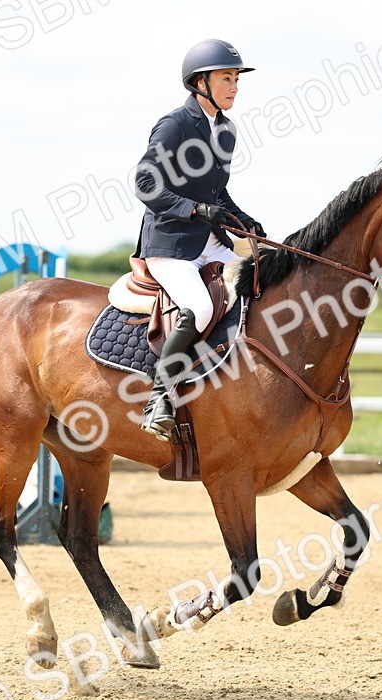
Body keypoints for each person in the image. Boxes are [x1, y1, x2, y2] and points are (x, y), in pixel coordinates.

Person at [132, 39, 265, 441]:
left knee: (263, 280)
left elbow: (216, 194)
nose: (235, 86)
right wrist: (191, 210)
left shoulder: (225, 130)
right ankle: (160, 396)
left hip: (209, 238)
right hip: (170, 242)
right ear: (200, 82)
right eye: (227, 78)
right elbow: (145, 182)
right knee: (199, 306)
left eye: (237, 79)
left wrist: (244, 221)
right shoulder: (174, 124)